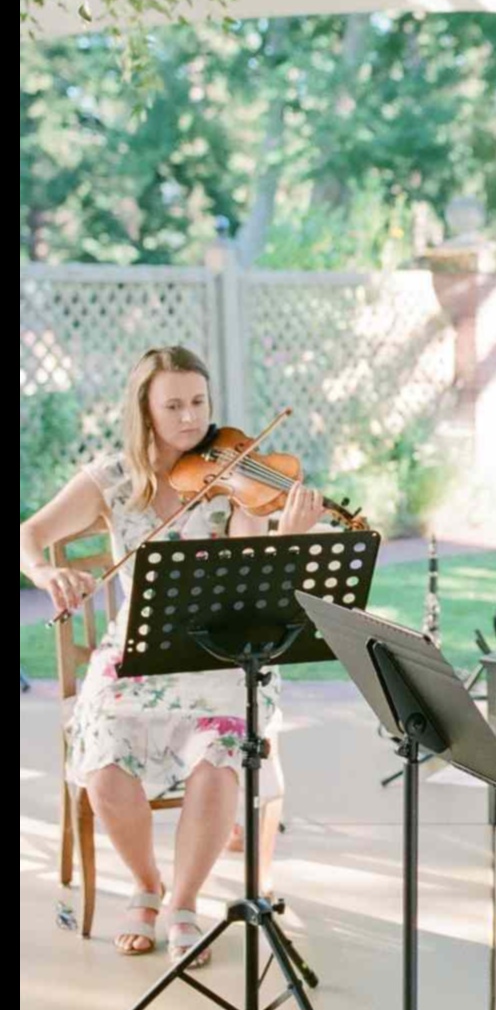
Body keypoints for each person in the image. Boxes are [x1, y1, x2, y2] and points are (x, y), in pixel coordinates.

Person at [19, 346, 324, 966]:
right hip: (137, 652)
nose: (191, 419)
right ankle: (146, 885)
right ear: (145, 411)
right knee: (104, 765)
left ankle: (183, 903)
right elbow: (29, 536)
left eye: (199, 403)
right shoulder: (111, 479)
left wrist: (283, 535)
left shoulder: (237, 479)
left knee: (218, 759)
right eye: (174, 406)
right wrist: (46, 574)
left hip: (220, 652)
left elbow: (251, 577)